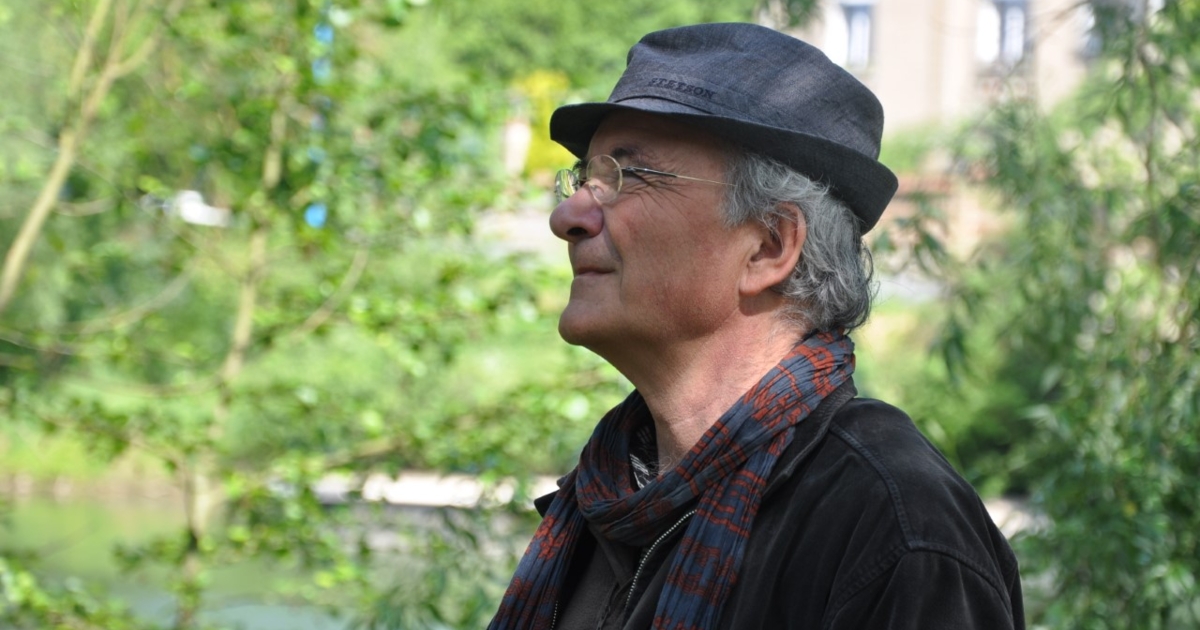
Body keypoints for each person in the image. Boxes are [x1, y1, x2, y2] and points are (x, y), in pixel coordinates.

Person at [488, 22, 1024, 630]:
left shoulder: (894, 527)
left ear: (769, 247)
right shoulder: (607, 497)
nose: (568, 215)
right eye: (585, 177)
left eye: (627, 177)